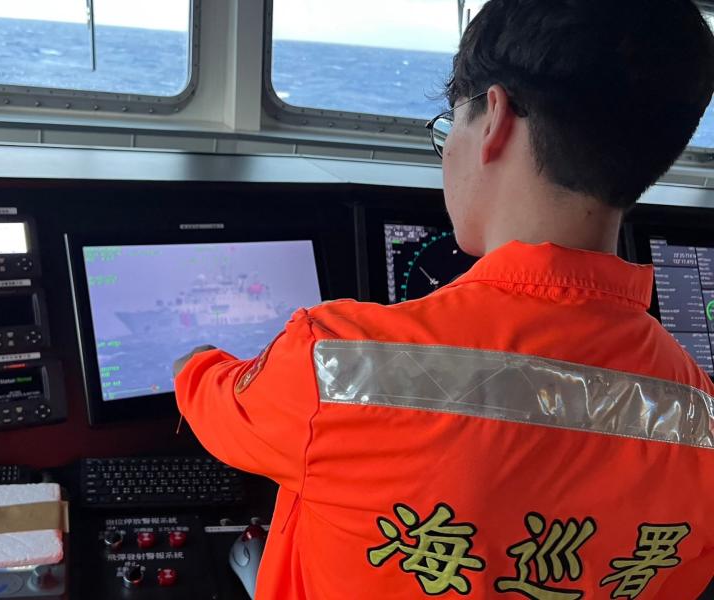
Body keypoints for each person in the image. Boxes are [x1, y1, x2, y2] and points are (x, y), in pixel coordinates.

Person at [173, 0, 714, 597]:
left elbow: (214, 402)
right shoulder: (703, 419)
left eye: (447, 124)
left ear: (495, 121)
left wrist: (191, 358)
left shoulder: (335, 365)